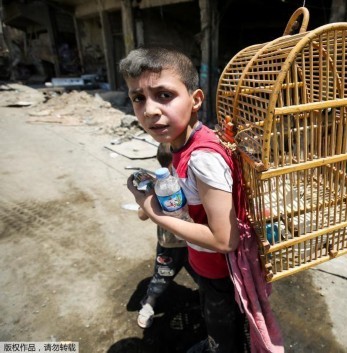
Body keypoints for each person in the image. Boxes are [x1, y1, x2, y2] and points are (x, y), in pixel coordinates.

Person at [120, 47, 283, 353]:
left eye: (164, 95)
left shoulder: (202, 158)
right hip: (202, 263)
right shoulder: (182, 143)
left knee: (225, 331)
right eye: (138, 98)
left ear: (195, 100)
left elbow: (224, 240)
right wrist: (153, 188)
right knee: (214, 318)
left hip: (219, 271)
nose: (149, 110)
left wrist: (152, 211)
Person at [136, 142, 197, 329]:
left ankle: (209, 302)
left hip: (194, 242)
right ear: (167, 166)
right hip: (169, 244)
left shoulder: (188, 181)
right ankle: (149, 302)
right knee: (162, 276)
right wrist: (149, 201)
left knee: (203, 278)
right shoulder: (158, 186)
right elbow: (141, 214)